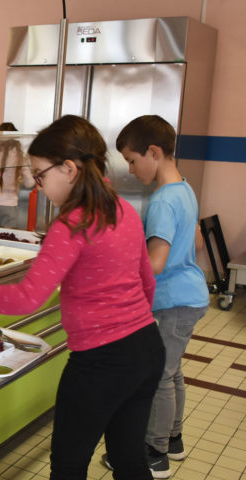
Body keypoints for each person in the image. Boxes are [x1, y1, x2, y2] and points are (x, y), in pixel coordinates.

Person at [0, 115, 164, 479]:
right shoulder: (123, 209)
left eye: (40, 175)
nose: (38, 185)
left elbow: (28, 299)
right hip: (146, 347)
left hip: (100, 362)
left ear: (69, 169)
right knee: (129, 460)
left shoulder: (72, 222)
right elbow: (146, 282)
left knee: (69, 466)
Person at [110, 115, 209, 478]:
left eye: (133, 161)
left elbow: (155, 263)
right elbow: (196, 241)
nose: (132, 170)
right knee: (173, 370)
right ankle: (174, 438)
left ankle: (154, 452)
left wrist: (119, 272)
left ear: (154, 152)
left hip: (172, 301)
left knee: (160, 375)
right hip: (190, 294)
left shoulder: (162, 201)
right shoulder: (184, 188)